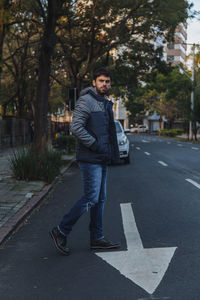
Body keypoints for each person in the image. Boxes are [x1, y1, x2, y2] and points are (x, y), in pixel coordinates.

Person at [50, 68, 120, 255]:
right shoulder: (86, 100)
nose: (105, 84)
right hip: (90, 158)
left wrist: (110, 153)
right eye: (101, 81)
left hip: (102, 157)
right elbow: (76, 127)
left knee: (100, 199)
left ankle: (97, 238)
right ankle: (61, 230)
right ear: (94, 82)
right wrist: (96, 145)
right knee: (91, 197)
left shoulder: (105, 103)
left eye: (107, 81)